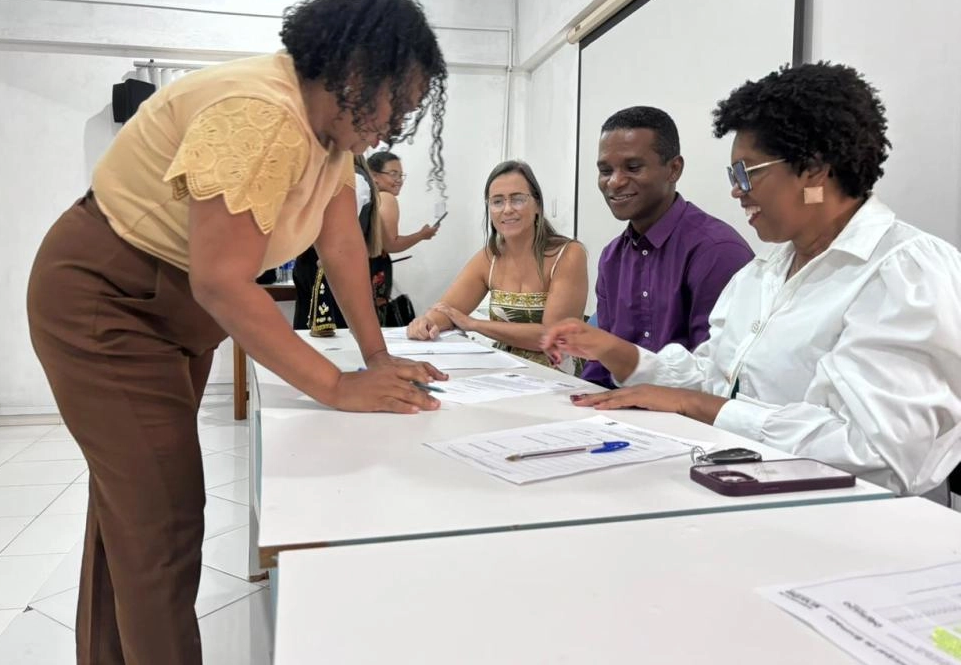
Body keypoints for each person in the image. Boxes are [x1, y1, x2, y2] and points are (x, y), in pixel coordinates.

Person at [26, 0, 449, 665]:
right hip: (108, 297)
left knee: (132, 515)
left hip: (172, 312)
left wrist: (375, 356)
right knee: (161, 521)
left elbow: (341, 245)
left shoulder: (329, 136)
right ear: (353, 71)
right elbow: (222, 279)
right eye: (395, 98)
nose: (395, 122)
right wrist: (337, 387)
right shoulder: (261, 113)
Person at [542, 62, 961, 499]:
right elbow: (717, 375)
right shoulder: (762, 273)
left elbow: (880, 455)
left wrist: (703, 408)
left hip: (866, 525)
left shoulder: (904, 272)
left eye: (746, 173)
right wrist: (619, 354)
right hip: (750, 494)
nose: (736, 191)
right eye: (732, 176)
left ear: (814, 169)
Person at [582, 106, 753, 388]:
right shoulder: (612, 257)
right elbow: (601, 361)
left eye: (633, 167)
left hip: (684, 421)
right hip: (615, 416)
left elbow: (716, 379)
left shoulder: (716, 251)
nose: (614, 181)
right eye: (605, 170)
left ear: (674, 169)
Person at [409, 160, 587, 372]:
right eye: (497, 201)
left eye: (518, 199)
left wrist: (474, 324)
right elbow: (448, 310)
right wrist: (426, 322)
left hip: (559, 376)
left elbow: (552, 336)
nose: (508, 209)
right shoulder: (489, 258)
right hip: (505, 371)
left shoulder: (568, 254)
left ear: (537, 205)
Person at [292, 154, 388, 333]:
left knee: (331, 334)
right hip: (317, 261)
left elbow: (341, 231)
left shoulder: (353, 179)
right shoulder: (337, 178)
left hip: (326, 264)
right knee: (309, 332)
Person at [370, 150, 440, 253]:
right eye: (393, 174)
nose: (399, 180)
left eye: (400, 175)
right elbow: (391, 245)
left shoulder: (369, 197)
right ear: (374, 175)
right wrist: (422, 235)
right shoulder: (386, 198)